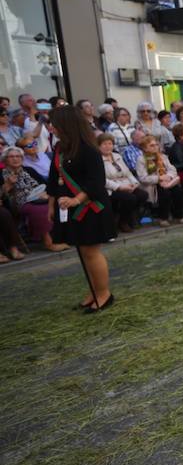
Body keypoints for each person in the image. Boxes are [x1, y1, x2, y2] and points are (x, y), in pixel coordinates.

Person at [47, 105, 116, 312]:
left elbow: (96, 181)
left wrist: (77, 200)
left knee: (91, 251)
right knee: (82, 250)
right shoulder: (60, 148)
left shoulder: (88, 148)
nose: (51, 127)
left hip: (90, 207)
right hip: (67, 206)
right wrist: (51, 204)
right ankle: (93, 290)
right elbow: (53, 179)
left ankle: (104, 293)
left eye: (54, 123)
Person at [1, 146, 67, 251]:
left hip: (40, 197)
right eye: (11, 156)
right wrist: (8, 185)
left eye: (18, 156)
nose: (15, 159)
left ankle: (63, 237)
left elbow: (46, 184)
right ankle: (49, 243)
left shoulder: (28, 170)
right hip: (19, 203)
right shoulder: (2, 174)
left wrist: (46, 193)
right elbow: (2, 197)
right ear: (5, 160)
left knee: (60, 202)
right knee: (38, 210)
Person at [98, 133, 148, 233]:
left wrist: (134, 184)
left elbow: (128, 173)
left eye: (110, 143)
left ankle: (130, 217)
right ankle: (123, 222)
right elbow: (102, 179)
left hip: (126, 184)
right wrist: (120, 187)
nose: (108, 146)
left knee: (143, 195)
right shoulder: (97, 159)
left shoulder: (117, 156)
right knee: (130, 198)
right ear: (98, 146)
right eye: (104, 144)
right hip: (110, 189)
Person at [136, 135, 183, 227]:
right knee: (164, 192)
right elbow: (142, 178)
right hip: (152, 185)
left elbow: (172, 169)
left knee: (177, 190)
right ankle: (163, 217)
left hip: (167, 181)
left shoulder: (163, 156)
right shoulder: (141, 160)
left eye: (156, 144)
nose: (156, 147)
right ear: (145, 148)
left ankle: (179, 215)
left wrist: (168, 176)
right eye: (152, 145)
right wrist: (159, 178)